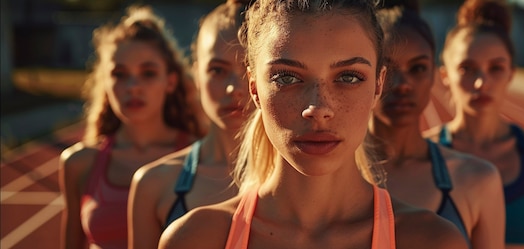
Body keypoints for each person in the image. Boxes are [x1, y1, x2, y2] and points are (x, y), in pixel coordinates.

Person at [159, 0, 468, 248]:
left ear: (377, 85)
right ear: (254, 89)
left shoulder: (433, 241)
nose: (318, 108)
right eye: (287, 77)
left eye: (348, 77)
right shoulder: (193, 239)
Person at [424, 0, 524, 248]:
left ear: (511, 74)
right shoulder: (424, 154)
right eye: (467, 68)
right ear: (445, 75)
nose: (482, 82)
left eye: (496, 68)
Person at [58, 5, 203, 249]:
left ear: (170, 81)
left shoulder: (201, 159)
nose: (133, 86)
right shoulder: (79, 163)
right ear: (106, 81)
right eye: (120, 74)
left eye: (148, 73)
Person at [371, 6, 505, 249]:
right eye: (388, 69)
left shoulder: (477, 180)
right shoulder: (324, 175)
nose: (403, 85)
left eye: (418, 68)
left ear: (433, 75)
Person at [127, 2, 250, 249]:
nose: (233, 88)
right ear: (196, 73)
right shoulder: (153, 184)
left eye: (248, 69)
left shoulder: (305, 182)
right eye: (217, 70)